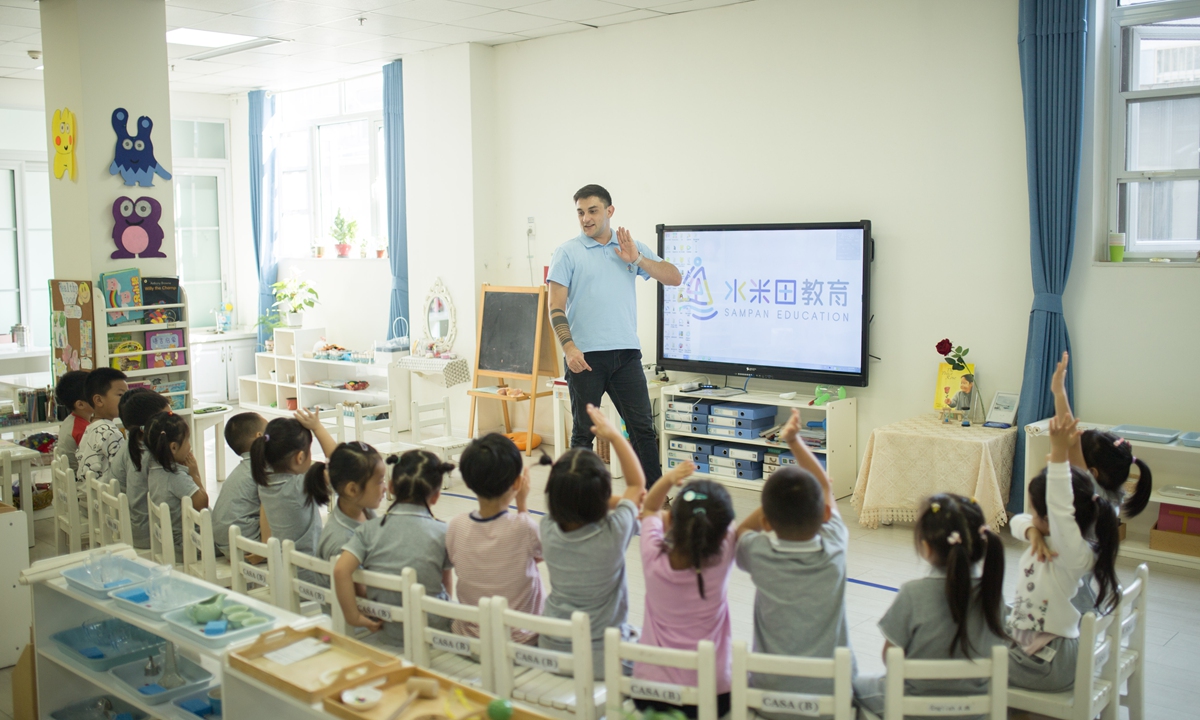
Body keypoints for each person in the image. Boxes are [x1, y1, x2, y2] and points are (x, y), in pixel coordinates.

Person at [547, 184, 682, 486]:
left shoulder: (629, 247)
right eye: (580, 212)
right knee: (583, 435)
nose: (585, 219)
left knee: (643, 431)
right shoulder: (566, 253)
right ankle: (579, 502)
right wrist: (569, 348)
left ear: (609, 211)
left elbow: (674, 277)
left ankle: (655, 499)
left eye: (592, 211)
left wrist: (636, 260)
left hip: (626, 357)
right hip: (584, 358)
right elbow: (555, 307)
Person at [735, 409, 854, 714]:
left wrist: (769, 509)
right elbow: (825, 486)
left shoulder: (757, 551)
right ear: (825, 515)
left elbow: (739, 533)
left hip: (768, 697)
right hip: (832, 696)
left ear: (768, 521)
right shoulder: (834, 547)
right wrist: (793, 440)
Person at [853, 494, 1008, 718]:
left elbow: (890, 658)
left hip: (912, 708)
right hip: (974, 711)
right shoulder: (993, 596)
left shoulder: (912, 594)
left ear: (926, 548)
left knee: (852, 684)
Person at [1007, 413, 1121, 693]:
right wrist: (1032, 530)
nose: (1028, 515)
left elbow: (1059, 505)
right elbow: (1016, 521)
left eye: (1034, 511)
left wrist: (1058, 452)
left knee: (974, 661)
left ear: (1051, 518)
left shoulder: (1069, 551)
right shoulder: (1061, 538)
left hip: (1051, 662)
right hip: (1047, 649)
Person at [540, 404, 646, 679]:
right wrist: (616, 437)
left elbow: (631, 492)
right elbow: (637, 486)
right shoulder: (613, 533)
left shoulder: (548, 527)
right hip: (605, 660)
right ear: (603, 494)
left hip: (551, 650)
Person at [635, 464, 736, 719]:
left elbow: (650, 508)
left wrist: (669, 478)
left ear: (669, 521)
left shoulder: (652, 557)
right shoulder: (723, 555)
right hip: (713, 695)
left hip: (652, 694)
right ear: (724, 531)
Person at [336, 450, 456, 647]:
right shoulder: (443, 531)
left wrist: (353, 617)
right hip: (432, 633)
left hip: (387, 629)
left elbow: (340, 570)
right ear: (436, 496)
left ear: (391, 488)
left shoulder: (368, 530)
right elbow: (446, 582)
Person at [446, 433, 543, 642]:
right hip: (519, 641)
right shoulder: (524, 526)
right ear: (518, 483)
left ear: (469, 483)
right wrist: (522, 504)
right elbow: (539, 555)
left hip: (470, 638)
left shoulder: (456, 525)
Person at [1047, 352, 1153, 517]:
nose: (1070, 456)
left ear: (1093, 473)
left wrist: (1059, 392)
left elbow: (1073, 445)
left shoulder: (1093, 493)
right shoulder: (1114, 496)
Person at [250, 410, 338, 560]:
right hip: (310, 572)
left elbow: (264, 512)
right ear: (300, 457)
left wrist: (264, 545)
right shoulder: (301, 485)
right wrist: (317, 428)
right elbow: (341, 463)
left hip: (283, 569)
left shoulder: (265, 483)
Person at [111, 388, 170, 549]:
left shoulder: (135, 444)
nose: (174, 422)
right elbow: (138, 503)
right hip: (144, 535)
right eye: (169, 417)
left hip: (131, 525)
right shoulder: (145, 455)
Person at [145, 412, 208, 561]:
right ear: (173, 447)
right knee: (229, 542)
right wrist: (195, 474)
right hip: (187, 546)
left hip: (170, 543)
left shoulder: (154, 470)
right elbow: (203, 505)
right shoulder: (176, 477)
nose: (190, 446)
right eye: (187, 440)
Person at [315, 442, 387, 561]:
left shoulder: (362, 508)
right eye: (379, 482)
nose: (385, 488)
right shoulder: (342, 543)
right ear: (352, 490)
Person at [211, 412, 268, 556]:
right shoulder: (264, 468)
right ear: (260, 436)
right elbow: (269, 508)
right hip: (244, 544)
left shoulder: (242, 469)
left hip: (223, 541)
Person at [76, 368, 128, 482]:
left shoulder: (92, 427)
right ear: (99, 400)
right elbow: (124, 471)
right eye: (121, 395)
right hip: (106, 496)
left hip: (91, 494)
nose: (127, 400)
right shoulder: (110, 432)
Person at [54, 370, 91, 473]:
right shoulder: (83, 428)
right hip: (80, 482)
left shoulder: (70, 420)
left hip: (71, 479)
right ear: (80, 405)